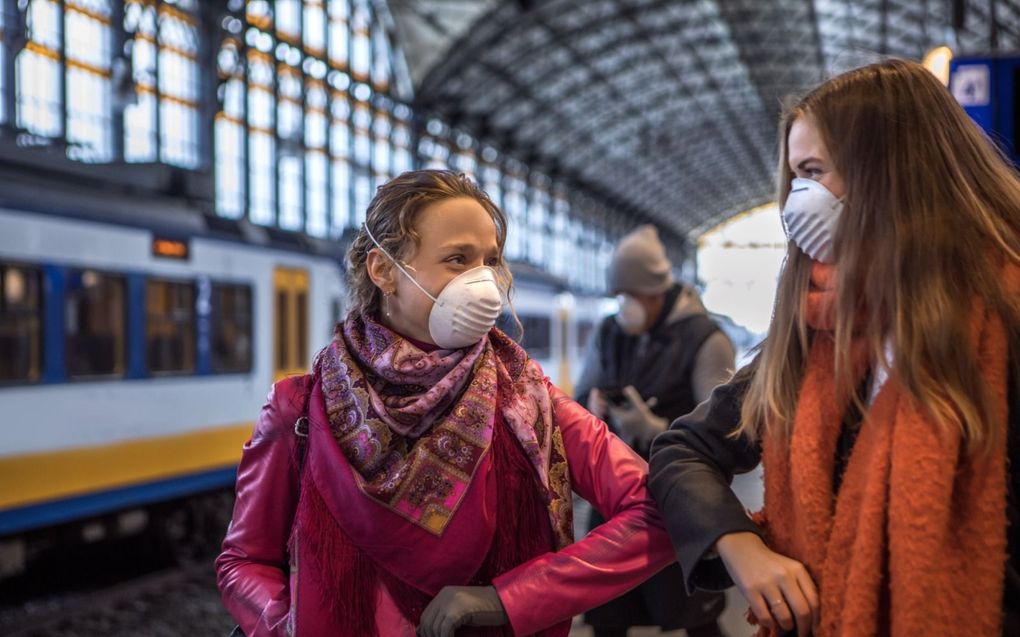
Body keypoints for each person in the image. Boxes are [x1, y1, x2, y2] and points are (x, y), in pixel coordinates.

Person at [216, 169, 678, 637]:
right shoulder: (298, 407)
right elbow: (243, 560)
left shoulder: (529, 400)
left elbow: (658, 512)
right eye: (458, 259)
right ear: (383, 271)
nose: (485, 282)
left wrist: (509, 598)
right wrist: (292, 624)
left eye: (490, 261)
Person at [648, 58, 1020, 637]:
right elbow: (683, 450)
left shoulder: (1003, 317)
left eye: (815, 170)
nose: (799, 198)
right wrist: (740, 544)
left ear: (891, 168)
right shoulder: (813, 333)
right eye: (796, 175)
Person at [574, 224, 735, 637]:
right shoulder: (609, 332)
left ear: (656, 291)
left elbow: (725, 434)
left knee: (696, 615)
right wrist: (593, 408)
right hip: (612, 497)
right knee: (608, 614)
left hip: (679, 500)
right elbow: (579, 394)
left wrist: (657, 429)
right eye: (617, 295)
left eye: (630, 294)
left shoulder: (705, 339)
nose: (622, 305)